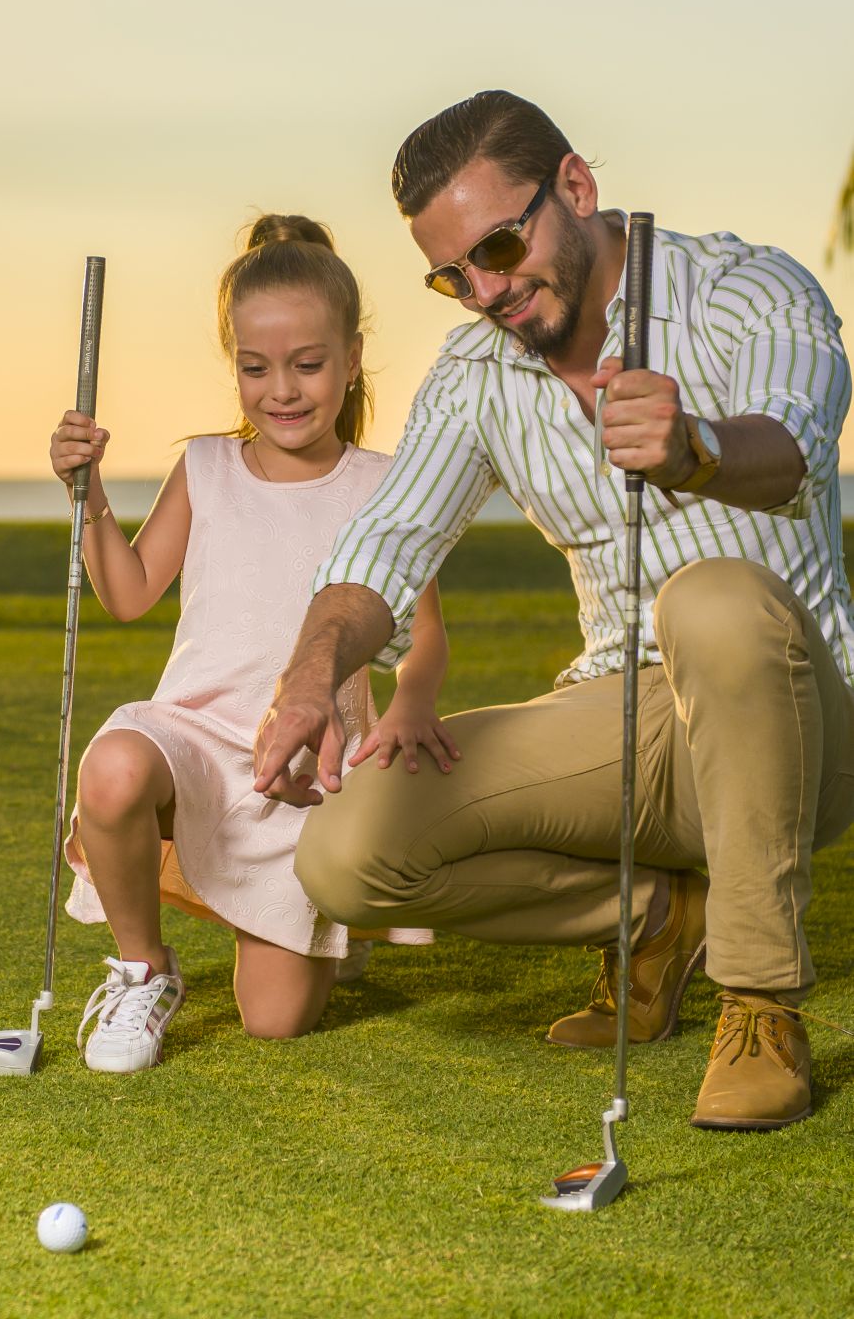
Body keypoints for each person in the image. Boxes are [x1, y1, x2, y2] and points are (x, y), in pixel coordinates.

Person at [252, 91, 854, 1130]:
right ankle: (663, 916)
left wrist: (693, 448)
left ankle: (760, 1006)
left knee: (709, 597)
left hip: (803, 718)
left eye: (497, 245)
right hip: (630, 714)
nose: (484, 290)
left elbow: (796, 447)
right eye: (453, 274)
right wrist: (311, 672)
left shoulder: (743, 288)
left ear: (574, 187)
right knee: (345, 853)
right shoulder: (478, 372)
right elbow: (387, 543)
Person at [52, 215, 455, 1073]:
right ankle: (142, 968)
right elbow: (127, 594)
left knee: (275, 1023)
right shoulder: (204, 467)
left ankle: (313, 923)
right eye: (255, 367)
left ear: (352, 358)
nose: (283, 390)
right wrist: (87, 497)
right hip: (192, 740)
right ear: (231, 361)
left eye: (309, 366)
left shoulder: (385, 484)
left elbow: (422, 634)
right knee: (114, 767)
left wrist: (410, 705)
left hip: (307, 773)